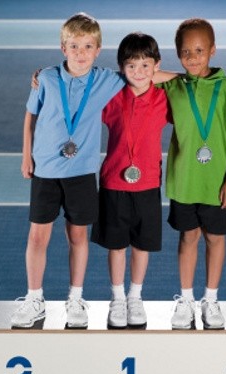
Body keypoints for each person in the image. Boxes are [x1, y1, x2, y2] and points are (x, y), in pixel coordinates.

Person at [11, 12, 125, 328]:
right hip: (46, 171)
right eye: (74, 46)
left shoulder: (105, 80)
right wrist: (26, 155)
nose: (80, 53)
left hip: (81, 173)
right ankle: (34, 298)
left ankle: (75, 298)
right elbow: (30, 116)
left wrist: (192, 76)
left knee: (78, 236)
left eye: (87, 46)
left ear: (98, 50)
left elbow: (144, 74)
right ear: (63, 48)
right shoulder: (47, 78)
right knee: (38, 236)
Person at [160, 18, 226, 330]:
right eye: (185, 52)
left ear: (213, 50)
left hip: (216, 182)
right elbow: (143, 73)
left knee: (215, 238)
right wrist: (182, 76)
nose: (193, 57)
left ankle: (210, 299)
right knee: (188, 237)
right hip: (184, 181)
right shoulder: (173, 86)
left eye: (199, 50)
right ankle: (186, 300)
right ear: (177, 54)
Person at [91, 32, 170, 328]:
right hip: (114, 182)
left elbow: (194, 86)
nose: (138, 72)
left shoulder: (164, 98)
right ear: (121, 67)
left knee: (141, 245)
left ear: (157, 66)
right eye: (131, 66)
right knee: (116, 245)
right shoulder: (111, 96)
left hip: (148, 183)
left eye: (145, 65)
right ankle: (117, 298)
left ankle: (135, 296)